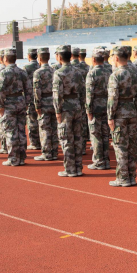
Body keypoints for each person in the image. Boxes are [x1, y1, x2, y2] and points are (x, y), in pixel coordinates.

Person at [107, 45, 137, 186]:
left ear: (116, 58)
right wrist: (136, 110)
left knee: (120, 146)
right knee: (132, 146)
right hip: (132, 111)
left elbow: (113, 98)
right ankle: (132, 176)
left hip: (120, 113)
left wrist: (110, 116)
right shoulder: (135, 72)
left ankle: (123, 178)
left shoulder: (115, 75)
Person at [53, 45, 86, 177]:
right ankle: (78, 167)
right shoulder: (78, 72)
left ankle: (70, 169)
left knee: (66, 139)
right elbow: (83, 91)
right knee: (78, 138)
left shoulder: (59, 73)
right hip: (77, 105)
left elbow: (57, 94)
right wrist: (82, 106)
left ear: (60, 57)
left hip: (65, 107)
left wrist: (57, 111)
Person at [0, 47, 30, 166]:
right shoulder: (22, 72)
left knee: (10, 132)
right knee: (21, 131)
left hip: (9, 103)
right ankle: (21, 157)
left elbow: (0, 91)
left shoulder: (4, 73)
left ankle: (13, 158)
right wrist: (26, 103)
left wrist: (0, 106)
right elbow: (28, 89)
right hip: (20, 102)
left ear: (5, 59)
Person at [86, 46, 112, 171]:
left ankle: (98, 161)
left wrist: (88, 110)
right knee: (105, 134)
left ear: (93, 59)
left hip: (96, 106)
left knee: (96, 135)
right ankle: (106, 160)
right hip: (107, 105)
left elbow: (89, 93)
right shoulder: (109, 71)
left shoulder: (92, 72)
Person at [33, 47, 59, 161]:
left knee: (44, 128)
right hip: (53, 101)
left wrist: (37, 105)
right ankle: (54, 151)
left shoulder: (38, 72)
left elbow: (37, 91)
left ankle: (47, 153)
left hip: (43, 102)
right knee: (54, 127)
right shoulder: (54, 71)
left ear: (39, 58)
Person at [24, 48, 42, 151]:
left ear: (29, 56)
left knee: (32, 121)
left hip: (31, 97)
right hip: (43, 97)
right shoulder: (40, 65)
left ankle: (35, 142)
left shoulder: (26, 67)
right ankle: (42, 141)